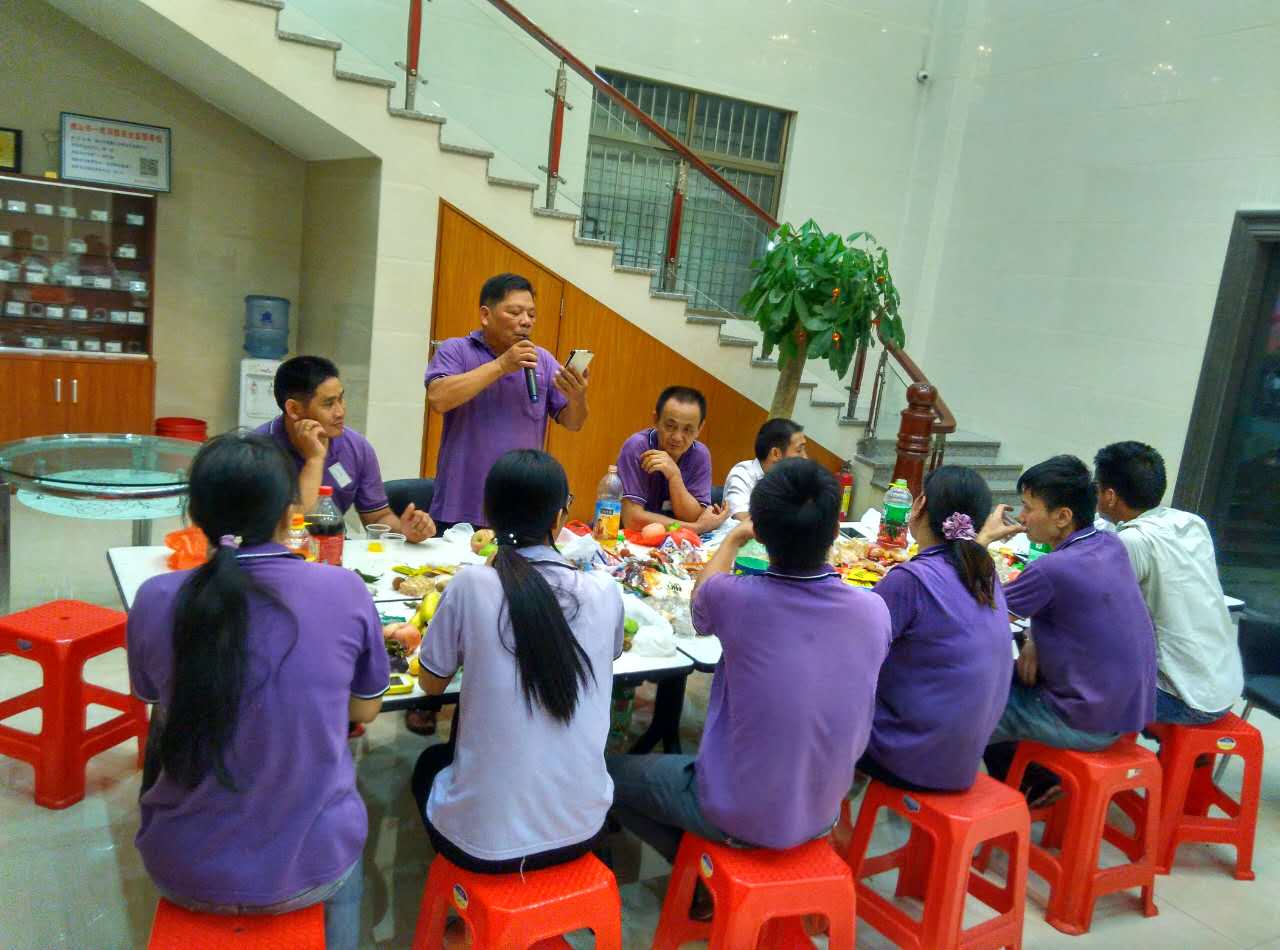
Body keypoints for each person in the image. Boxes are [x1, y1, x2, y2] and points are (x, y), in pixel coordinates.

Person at [126, 432, 389, 950]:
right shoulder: (343, 589)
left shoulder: (155, 597)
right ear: (291, 514)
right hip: (312, 867)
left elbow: (156, 698)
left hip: (181, 866)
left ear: (194, 516)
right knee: (345, 866)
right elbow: (365, 709)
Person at [607, 459, 891, 866]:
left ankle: (697, 871)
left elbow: (700, 605)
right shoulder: (873, 610)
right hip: (825, 810)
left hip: (739, 813)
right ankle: (708, 861)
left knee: (607, 775)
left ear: (760, 530)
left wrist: (733, 538)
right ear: (835, 530)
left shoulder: (738, 597)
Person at [409, 449, 623, 876]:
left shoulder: (471, 584)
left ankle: (460, 893)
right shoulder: (604, 590)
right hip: (584, 829)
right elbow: (608, 655)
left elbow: (431, 685)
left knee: (429, 764)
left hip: (484, 848)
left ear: (488, 516)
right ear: (559, 519)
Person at [982, 455, 1157, 801]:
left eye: (1029, 507)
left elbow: (974, 617)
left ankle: (923, 792)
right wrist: (1033, 638)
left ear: (1062, 517)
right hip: (1123, 711)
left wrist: (982, 539)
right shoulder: (1109, 544)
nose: (1022, 517)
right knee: (1006, 677)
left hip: (1084, 720)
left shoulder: (1051, 569)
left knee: (969, 702)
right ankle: (1032, 781)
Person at [862, 465, 1013, 792]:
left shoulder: (911, 580)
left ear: (919, 505)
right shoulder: (984, 573)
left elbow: (853, 650)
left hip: (910, 758)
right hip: (962, 762)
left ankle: (825, 811)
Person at [424, 273, 589, 529]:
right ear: (485, 315)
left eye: (531, 315)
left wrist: (578, 396)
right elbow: (438, 398)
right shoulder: (456, 350)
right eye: (514, 312)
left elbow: (574, 422)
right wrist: (502, 365)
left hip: (520, 506)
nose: (526, 321)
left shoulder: (542, 359)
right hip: (461, 505)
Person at [1094, 441, 1242, 725]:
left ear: (1110, 496)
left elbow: (1094, 607)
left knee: (1063, 675)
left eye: (1097, 487)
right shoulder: (1190, 523)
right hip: (1224, 685)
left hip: (1184, 697)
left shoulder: (1134, 541)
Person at [258, 355, 435, 542]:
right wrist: (314, 460)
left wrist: (405, 530)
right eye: (328, 404)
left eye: (341, 399)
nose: (340, 412)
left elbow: (377, 517)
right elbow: (285, 531)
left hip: (333, 547)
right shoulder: (258, 452)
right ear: (294, 409)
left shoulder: (357, 447)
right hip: (276, 551)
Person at [616, 386, 729, 532]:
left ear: (700, 428)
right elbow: (632, 520)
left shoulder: (700, 455)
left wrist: (675, 476)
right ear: (656, 420)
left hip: (673, 540)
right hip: (622, 538)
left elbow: (694, 516)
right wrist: (696, 528)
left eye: (687, 429)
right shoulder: (637, 447)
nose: (677, 437)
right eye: (670, 426)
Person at [722, 418, 807, 520]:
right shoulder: (743, 473)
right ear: (776, 453)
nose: (805, 457)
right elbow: (741, 517)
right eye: (799, 450)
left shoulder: (792, 481)